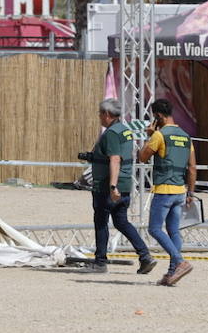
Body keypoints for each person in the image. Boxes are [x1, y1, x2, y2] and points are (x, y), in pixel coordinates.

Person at [81, 98, 156, 275]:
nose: (99, 117)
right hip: (125, 184)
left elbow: (115, 159)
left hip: (108, 186)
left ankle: (100, 262)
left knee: (101, 222)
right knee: (121, 222)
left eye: (100, 114)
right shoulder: (125, 131)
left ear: (107, 114)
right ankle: (145, 256)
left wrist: (112, 187)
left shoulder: (112, 133)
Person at [137, 98, 196, 286]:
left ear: (158, 116)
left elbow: (142, 157)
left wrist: (149, 135)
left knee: (155, 229)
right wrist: (190, 193)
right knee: (173, 231)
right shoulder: (186, 137)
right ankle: (172, 273)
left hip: (164, 190)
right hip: (180, 190)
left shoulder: (160, 135)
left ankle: (179, 262)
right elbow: (192, 168)